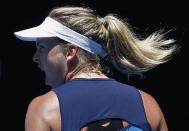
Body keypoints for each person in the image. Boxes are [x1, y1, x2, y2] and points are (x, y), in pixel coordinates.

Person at [14, 6, 177, 131]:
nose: (35, 57)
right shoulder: (148, 104)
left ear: (70, 51)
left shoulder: (44, 108)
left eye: (41, 47)